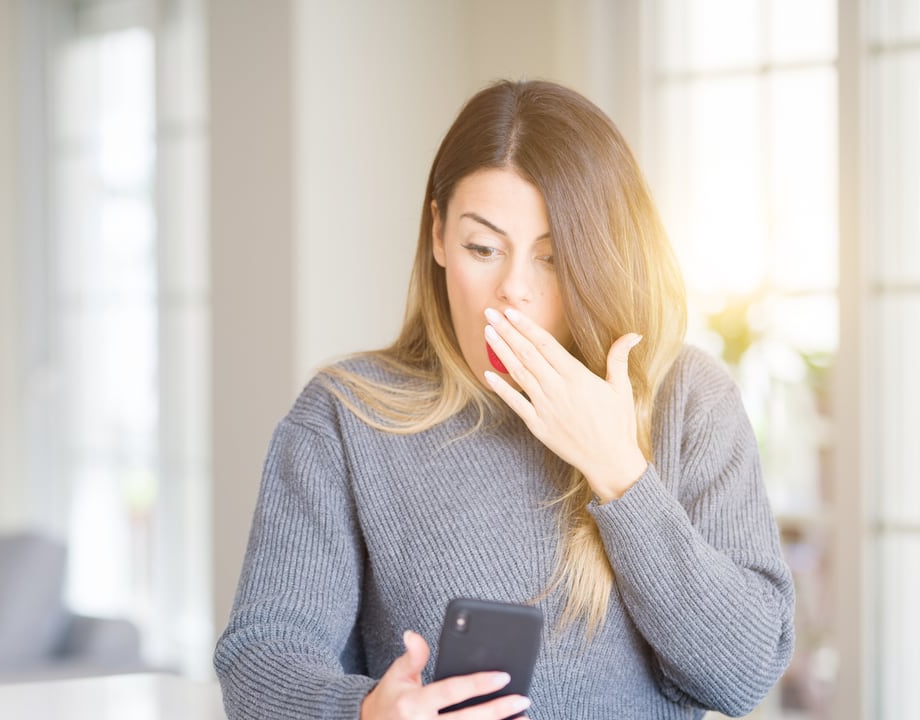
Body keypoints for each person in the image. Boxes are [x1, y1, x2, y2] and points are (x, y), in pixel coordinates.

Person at [213, 79, 795, 719]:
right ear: (438, 236)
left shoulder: (690, 400)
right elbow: (259, 661)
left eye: (553, 258)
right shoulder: (346, 415)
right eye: (483, 248)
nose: (513, 289)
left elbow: (742, 676)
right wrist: (365, 713)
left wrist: (620, 473)